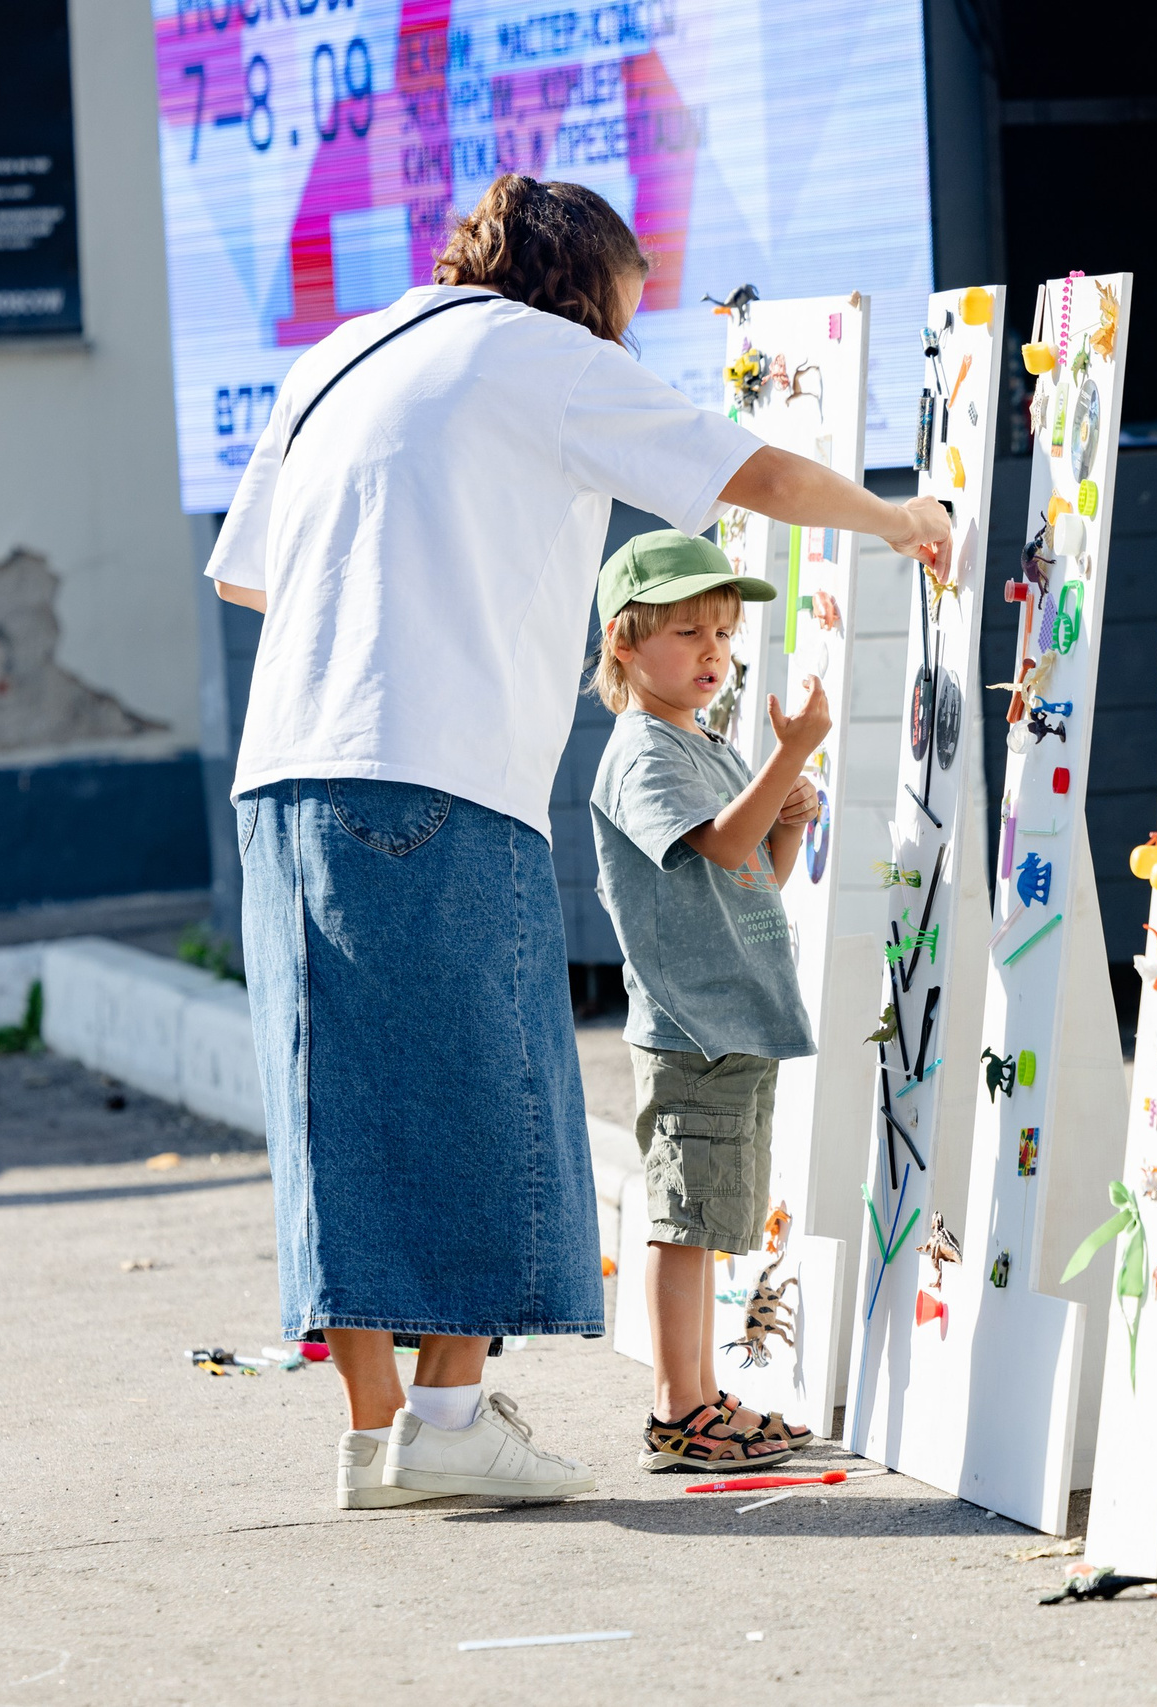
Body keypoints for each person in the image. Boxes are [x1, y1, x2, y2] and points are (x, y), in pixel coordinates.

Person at [205, 174, 950, 1510]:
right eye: (627, 312)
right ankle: (446, 1410)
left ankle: (381, 1433)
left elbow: (248, 575)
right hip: (432, 763)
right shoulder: (535, 350)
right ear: (583, 290)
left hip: (282, 770)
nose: (627, 341)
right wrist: (897, 519)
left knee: (339, 1104)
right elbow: (750, 470)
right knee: (484, 1082)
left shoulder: (337, 353)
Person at [587, 532, 824, 1469]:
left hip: (734, 1017)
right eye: (688, 632)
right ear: (624, 645)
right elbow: (724, 848)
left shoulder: (704, 744)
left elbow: (757, 869)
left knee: (711, 1215)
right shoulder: (644, 753)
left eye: (723, 632)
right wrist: (793, 751)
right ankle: (678, 1409)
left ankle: (694, 1397)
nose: (713, 653)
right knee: (684, 1223)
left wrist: (791, 820)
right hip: (693, 1024)